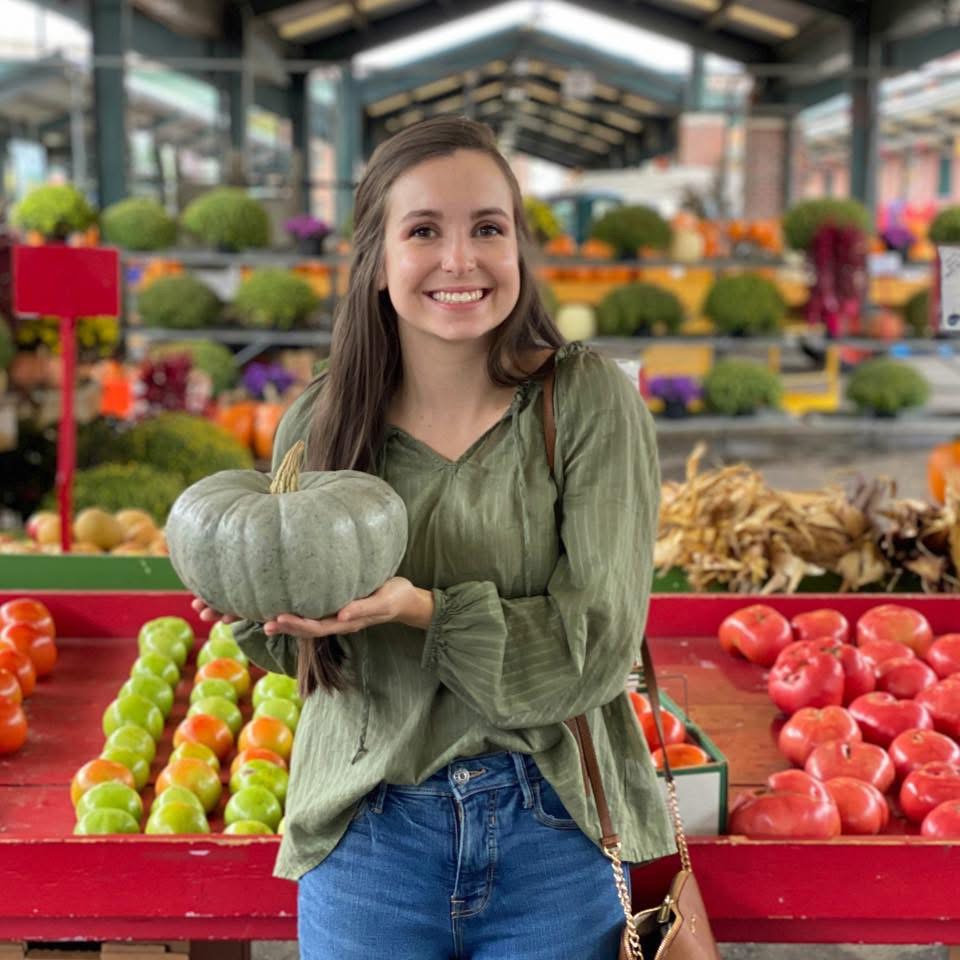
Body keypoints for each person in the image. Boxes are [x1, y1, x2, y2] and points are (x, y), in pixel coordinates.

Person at [193, 115, 673, 960]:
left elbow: (598, 644)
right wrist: (256, 604)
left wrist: (421, 609)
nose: (461, 259)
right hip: (366, 829)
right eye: (423, 231)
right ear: (378, 260)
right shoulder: (321, 420)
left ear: (518, 248)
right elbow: (317, 661)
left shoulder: (587, 401)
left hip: (553, 827)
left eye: (488, 228)